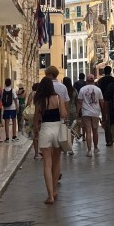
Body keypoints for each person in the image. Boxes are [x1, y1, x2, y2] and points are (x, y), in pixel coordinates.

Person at [32, 76, 67, 204]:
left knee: (47, 163)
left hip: (46, 129)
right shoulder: (58, 97)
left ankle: (50, 195)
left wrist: (35, 129)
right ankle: (54, 190)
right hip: (57, 129)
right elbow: (64, 114)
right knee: (57, 161)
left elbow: (36, 118)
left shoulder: (40, 100)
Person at [77, 73, 104, 155]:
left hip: (86, 113)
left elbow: (79, 102)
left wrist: (77, 112)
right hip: (95, 112)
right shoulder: (98, 90)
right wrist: (103, 113)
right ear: (93, 80)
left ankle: (89, 151)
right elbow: (101, 102)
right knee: (95, 131)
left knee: (88, 131)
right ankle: (95, 147)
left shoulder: (82, 89)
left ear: (86, 80)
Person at [97, 65, 114, 147]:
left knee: (106, 120)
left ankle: (108, 140)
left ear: (104, 72)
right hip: (113, 101)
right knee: (113, 120)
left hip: (104, 101)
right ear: (110, 71)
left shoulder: (100, 81)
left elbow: (99, 92)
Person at [62, 76, 79, 147]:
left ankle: (65, 146)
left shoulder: (63, 90)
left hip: (63, 111)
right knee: (71, 129)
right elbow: (77, 101)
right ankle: (70, 146)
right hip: (73, 111)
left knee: (64, 129)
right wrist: (77, 112)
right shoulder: (74, 90)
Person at [1, 77, 18, 141]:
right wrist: (17, 106)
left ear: (5, 83)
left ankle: (7, 137)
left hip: (6, 108)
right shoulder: (12, 90)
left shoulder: (3, 90)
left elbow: (1, 99)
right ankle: (14, 136)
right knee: (14, 121)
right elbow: (15, 99)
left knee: (6, 122)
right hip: (12, 107)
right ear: (10, 83)